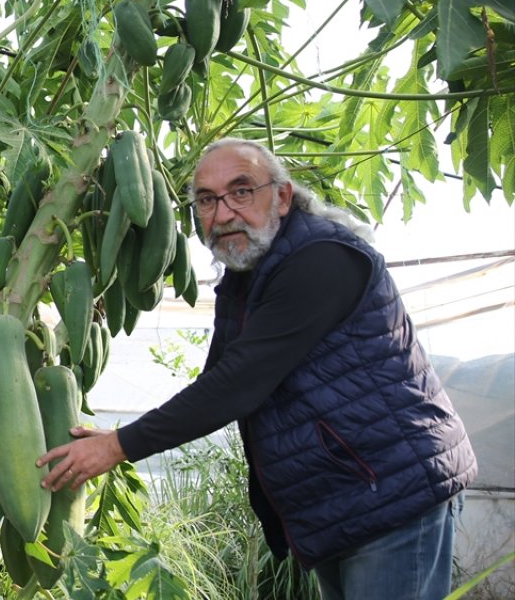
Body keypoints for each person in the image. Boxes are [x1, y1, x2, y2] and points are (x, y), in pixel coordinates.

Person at [37, 138, 476, 599]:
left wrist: (118, 447)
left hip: (391, 491)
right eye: (206, 200)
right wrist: (110, 438)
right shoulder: (248, 276)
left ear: (282, 197)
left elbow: (237, 385)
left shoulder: (320, 259)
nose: (223, 213)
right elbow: (217, 381)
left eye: (241, 191)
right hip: (346, 499)